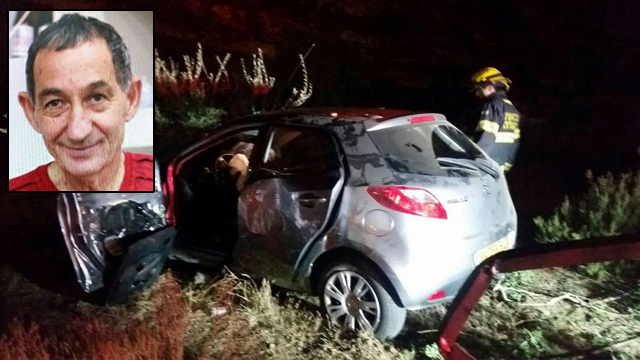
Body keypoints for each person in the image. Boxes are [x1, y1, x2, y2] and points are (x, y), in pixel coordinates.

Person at [9, 14, 152, 191]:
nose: (77, 132)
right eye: (55, 103)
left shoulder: (169, 184)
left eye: (96, 98)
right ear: (32, 113)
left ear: (131, 98)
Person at [470, 67, 521, 173]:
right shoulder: (513, 110)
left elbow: (486, 139)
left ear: (489, 86)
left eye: (479, 89)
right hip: (499, 169)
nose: (477, 94)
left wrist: (472, 163)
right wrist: (506, 167)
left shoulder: (492, 105)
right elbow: (515, 143)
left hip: (484, 168)